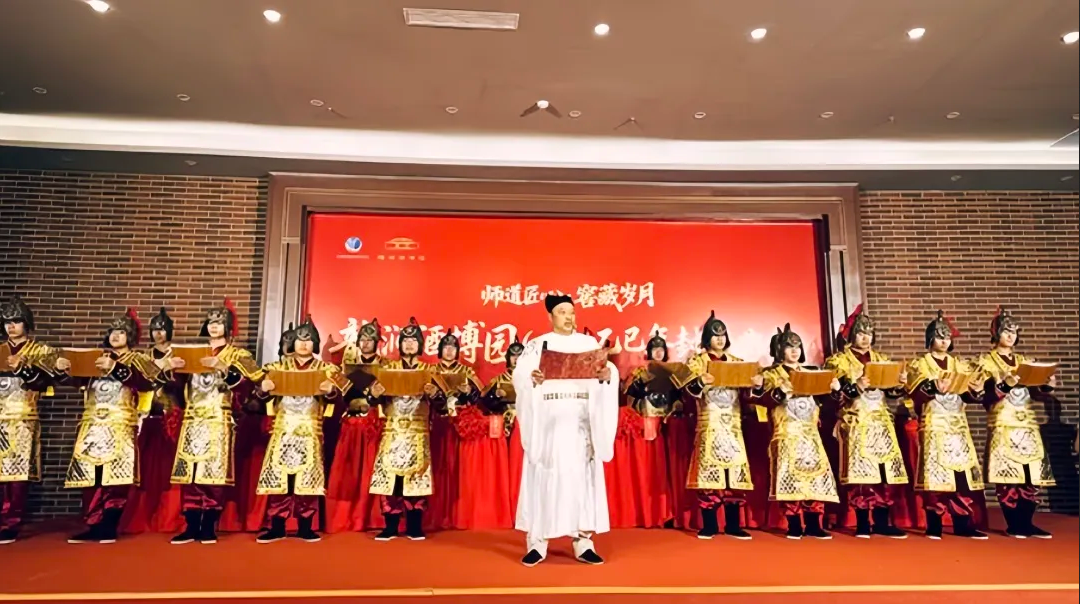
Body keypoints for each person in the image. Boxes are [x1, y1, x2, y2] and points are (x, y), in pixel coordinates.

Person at [513, 294, 619, 566]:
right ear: (550, 316)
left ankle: (583, 541)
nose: (568, 317)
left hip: (580, 425)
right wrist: (532, 378)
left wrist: (607, 377)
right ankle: (537, 543)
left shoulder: (588, 344)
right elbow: (520, 377)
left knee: (582, 481)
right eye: (562, 312)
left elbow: (606, 372)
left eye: (571, 312)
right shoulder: (537, 345)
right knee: (543, 478)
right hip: (547, 426)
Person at [56, 308, 159, 544]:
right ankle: (93, 523)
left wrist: (114, 368)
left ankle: (109, 525)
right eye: (112, 331)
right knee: (90, 475)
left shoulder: (139, 359)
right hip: (93, 424)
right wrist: (63, 371)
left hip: (120, 423)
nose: (115, 336)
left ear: (130, 336)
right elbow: (77, 381)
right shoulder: (97, 357)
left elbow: (147, 383)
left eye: (121, 332)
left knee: (116, 476)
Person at [167, 301, 262, 544]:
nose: (214, 327)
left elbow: (252, 384)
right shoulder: (194, 352)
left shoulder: (239, 355)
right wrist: (172, 369)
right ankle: (191, 524)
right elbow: (173, 387)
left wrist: (224, 369)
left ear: (227, 327)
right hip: (193, 418)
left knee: (213, 473)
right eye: (211, 322)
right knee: (190, 472)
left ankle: (208, 524)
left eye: (219, 323)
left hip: (219, 417)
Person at [253, 317, 349, 543]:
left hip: (310, 429)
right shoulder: (276, 368)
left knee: (308, 478)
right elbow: (256, 398)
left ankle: (306, 525)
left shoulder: (326, 369)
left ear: (315, 343)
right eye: (299, 340)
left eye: (308, 340)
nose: (304, 344)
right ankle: (277, 525)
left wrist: (330, 392)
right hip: (283, 429)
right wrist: (263, 390)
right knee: (279, 478)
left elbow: (345, 394)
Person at [750, 324, 841, 540]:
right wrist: (780, 392)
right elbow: (761, 400)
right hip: (786, 432)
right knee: (790, 477)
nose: (794, 351)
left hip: (810, 434)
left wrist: (835, 391)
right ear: (780, 350)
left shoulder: (811, 372)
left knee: (815, 476)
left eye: (798, 347)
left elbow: (826, 402)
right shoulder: (771, 374)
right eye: (789, 347)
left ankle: (813, 523)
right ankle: (793, 523)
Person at [825, 305, 909, 539]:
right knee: (861, 474)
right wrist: (856, 386)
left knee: (885, 472)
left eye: (869, 333)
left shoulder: (882, 359)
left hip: (881, 421)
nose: (865, 338)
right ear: (852, 335)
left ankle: (882, 520)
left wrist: (899, 384)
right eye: (861, 333)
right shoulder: (839, 361)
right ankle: (862, 521)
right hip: (856, 420)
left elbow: (891, 393)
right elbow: (834, 395)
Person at [906, 310, 987, 540]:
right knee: (936, 475)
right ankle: (934, 524)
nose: (944, 341)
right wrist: (933, 386)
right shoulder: (920, 364)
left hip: (957, 425)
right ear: (930, 338)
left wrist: (976, 389)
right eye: (940, 337)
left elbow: (970, 395)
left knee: (961, 475)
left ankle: (963, 523)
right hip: (934, 424)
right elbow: (914, 392)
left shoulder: (959, 364)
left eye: (947, 337)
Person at [975, 307, 1055, 539]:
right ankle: (1014, 523)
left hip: (1027, 423)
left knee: (1031, 474)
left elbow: (1036, 393)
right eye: (1006, 331)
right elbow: (984, 397)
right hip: (1004, 422)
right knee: (1009, 475)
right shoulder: (985, 362)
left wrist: (1046, 385)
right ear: (996, 334)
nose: (1010, 336)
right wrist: (1004, 385)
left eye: (1014, 332)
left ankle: (1027, 522)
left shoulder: (1023, 361)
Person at [682, 312, 761, 540]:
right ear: (707, 338)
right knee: (709, 473)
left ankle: (733, 525)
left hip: (733, 424)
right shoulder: (697, 362)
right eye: (715, 335)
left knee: (734, 474)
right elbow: (686, 392)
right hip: (710, 422)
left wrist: (756, 386)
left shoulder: (736, 362)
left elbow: (748, 396)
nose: (720, 338)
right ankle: (709, 524)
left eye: (723, 335)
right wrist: (700, 381)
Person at [369, 317, 439, 541]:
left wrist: (434, 394)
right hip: (393, 430)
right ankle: (390, 525)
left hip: (417, 431)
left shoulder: (429, 370)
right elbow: (372, 400)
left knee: (416, 477)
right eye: (405, 341)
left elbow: (442, 403)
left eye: (413, 341)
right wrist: (375, 394)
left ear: (420, 345)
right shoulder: (388, 369)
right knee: (391, 477)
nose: (409, 344)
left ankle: (414, 525)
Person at [0, 298, 58, 545]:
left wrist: (23, 368)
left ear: (27, 323)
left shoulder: (42, 351)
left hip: (22, 417)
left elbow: (44, 383)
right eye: (7, 322)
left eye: (16, 321)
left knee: (15, 475)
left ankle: (9, 523)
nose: (11, 326)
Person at [328, 318, 386, 533]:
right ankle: (346, 518)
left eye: (371, 339)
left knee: (373, 470)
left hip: (375, 423)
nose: (366, 343)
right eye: (363, 339)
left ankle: (373, 518)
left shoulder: (387, 366)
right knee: (348, 471)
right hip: (351, 424)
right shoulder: (345, 367)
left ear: (377, 342)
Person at [619, 331, 677, 529]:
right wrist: (642, 380)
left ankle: (668, 511)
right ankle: (652, 510)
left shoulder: (672, 371)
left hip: (668, 421)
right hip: (647, 420)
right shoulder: (641, 371)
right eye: (655, 349)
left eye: (661, 349)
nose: (658, 352)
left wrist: (676, 406)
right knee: (652, 466)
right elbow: (629, 394)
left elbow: (679, 395)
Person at [482, 338, 525, 515]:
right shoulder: (498, 380)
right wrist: (496, 396)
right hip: (504, 427)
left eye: (520, 355)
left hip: (526, 424)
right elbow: (484, 403)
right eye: (513, 356)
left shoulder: (532, 380)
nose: (516, 359)